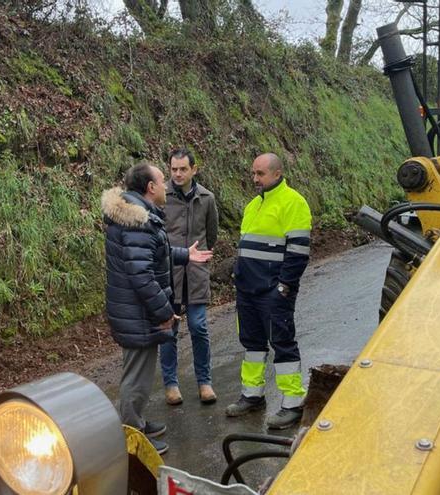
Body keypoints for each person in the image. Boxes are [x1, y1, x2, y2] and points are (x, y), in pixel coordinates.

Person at [101, 161, 213, 455]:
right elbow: (143, 276)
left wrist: (183, 255)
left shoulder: (138, 216)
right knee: (136, 376)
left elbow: (151, 256)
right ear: (150, 188)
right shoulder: (137, 221)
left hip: (134, 311)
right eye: (162, 180)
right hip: (137, 313)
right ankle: (130, 437)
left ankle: (135, 421)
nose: (166, 185)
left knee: (139, 372)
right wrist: (165, 312)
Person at [225, 153, 312, 430]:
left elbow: (298, 253)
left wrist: (284, 287)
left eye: (260, 174)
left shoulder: (294, 203)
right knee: (252, 345)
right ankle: (252, 395)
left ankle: (293, 403)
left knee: (282, 343)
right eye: (253, 173)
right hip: (248, 290)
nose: (255, 179)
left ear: (277, 174)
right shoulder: (253, 205)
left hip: (273, 291)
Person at [160, 148, 220, 406]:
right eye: (174, 169)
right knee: (169, 330)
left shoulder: (207, 198)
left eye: (183, 169)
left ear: (194, 169)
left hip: (196, 272)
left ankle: (204, 382)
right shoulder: (161, 197)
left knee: (198, 326)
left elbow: (211, 234)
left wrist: (199, 257)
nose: (178, 174)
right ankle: (171, 385)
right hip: (169, 271)